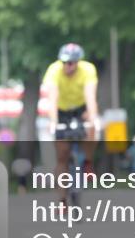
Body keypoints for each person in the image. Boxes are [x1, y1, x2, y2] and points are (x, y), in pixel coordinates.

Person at [41, 43, 99, 203]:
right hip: (61, 110)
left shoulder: (88, 70)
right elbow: (52, 99)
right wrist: (53, 121)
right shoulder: (54, 70)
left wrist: (93, 117)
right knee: (62, 156)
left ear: (78, 62)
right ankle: (61, 199)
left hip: (81, 108)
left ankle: (87, 161)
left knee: (92, 126)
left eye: (71, 63)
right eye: (64, 62)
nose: (67, 66)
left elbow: (90, 97)